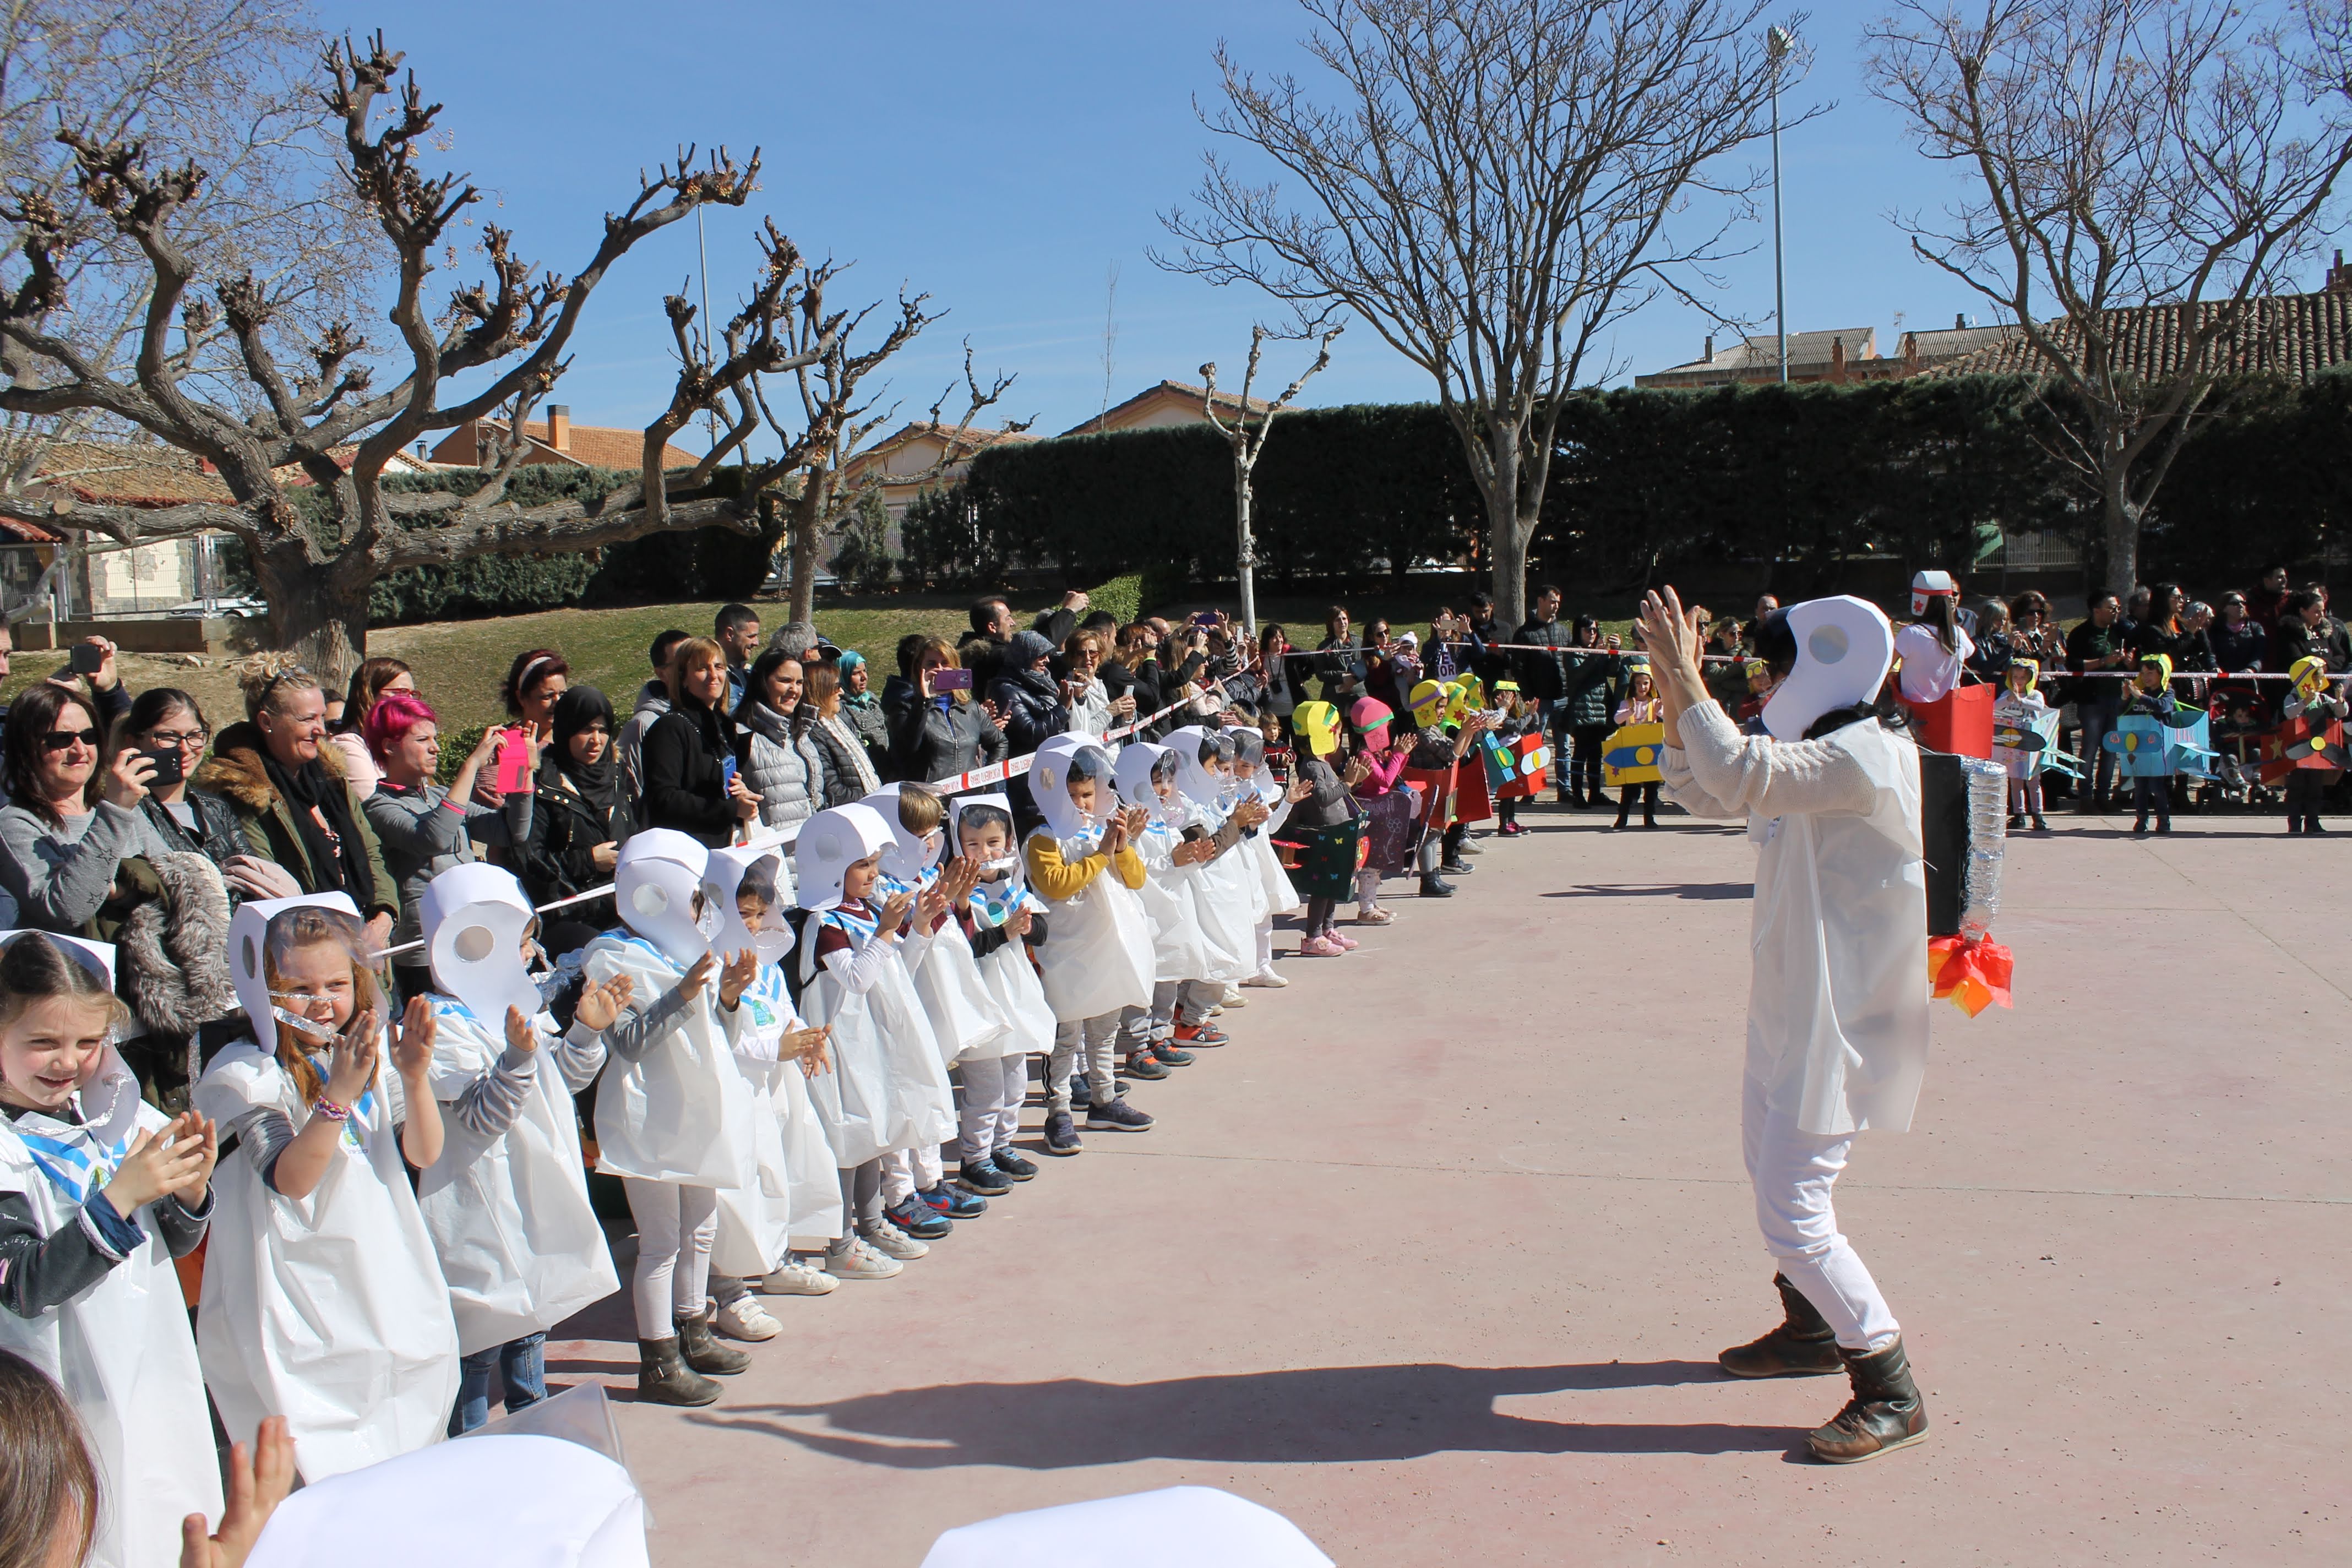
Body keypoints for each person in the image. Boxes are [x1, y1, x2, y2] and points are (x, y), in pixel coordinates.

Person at [1643, 585, 1932, 1466]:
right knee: (1770, 1175)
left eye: (1774, 672)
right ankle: (1811, 1330)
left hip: (1842, 1019)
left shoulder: (1865, 757)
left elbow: (1735, 771)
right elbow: (1700, 786)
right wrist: (1674, 685)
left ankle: (1889, 1384)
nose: (1766, 687)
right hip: (1790, 1008)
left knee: (1794, 1210)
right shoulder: (1814, 752)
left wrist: (1688, 676)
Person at [194, 896, 459, 1481]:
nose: (322, 1002)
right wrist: (337, 1093)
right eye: (298, 988)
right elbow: (291, 1179)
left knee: (405, 1441)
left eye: (336, 984)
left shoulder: (369, 1052)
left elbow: (423, 1152)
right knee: (322, 1452)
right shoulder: (245, 1072)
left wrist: (414, 1077)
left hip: (384, 1273)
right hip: (298, 1291)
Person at [0, 933, 223, 1567]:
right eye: (43, 1041)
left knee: (165, 1523)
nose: (67, 1061)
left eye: (88, 1042)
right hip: (64, 1398)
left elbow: (161, 1249)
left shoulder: (114, 1118)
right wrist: (121, 1196)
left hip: (151, 1375)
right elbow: (24, 1286)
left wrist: (188, 1194)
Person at [410, 865, 621, 1434]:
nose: (531, 954)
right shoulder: (437, 1023)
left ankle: (534, 1429)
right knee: (482, 1335)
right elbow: (481, 1117)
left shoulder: (516, 1006)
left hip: (531, 1190)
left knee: (531, 1321)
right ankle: (473, 1446)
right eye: (522, 942)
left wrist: (585, 1033)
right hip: (478, 1200)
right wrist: (517, 1058)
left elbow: (558, 1083)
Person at [580, 832, 760, 1406]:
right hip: (649, 1114)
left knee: (700, 1228)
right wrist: (683, 993)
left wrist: (728, 997)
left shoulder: (687, 946)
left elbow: (719, 1034)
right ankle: (657, 1360)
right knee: (660, 1242)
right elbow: (629, 1043)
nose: (701, 907)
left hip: (700, 1106)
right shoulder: (611, 955)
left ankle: (693, 1330)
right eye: (694, 895)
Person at [788, 805, 955, 1273]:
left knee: (874, 1135)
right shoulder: (826, 924)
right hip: (840, 1048)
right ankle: (840, 1244)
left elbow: (900, 968)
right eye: (862, 865)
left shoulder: (868, 911)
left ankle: (872, 1223)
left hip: (874, 1043)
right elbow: (857, 979)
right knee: (848, 1137)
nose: (873, 873)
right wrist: (885, 932)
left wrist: (919, 926)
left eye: (874, 863)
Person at [702, 847, 842, 1332]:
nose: (755, 925)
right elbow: (718, 1033)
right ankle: (729, 1292)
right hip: (733, 1091)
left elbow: (782, 1010)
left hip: (773, 1087)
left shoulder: (766, 960)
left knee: (775, 1175)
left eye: (762, 914)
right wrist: (774, 1049)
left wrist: (805, 1038)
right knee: (734, 1190)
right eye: (745, 914)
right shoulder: (707, 965)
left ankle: (776, 1261)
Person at [193, 661, 401, 950]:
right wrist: (338, 941)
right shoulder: (245, 795)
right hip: (303, 954)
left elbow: (370, 851)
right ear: (267, 722)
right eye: (307, 719)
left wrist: (385, 914)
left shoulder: (333, 779)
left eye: (322, 717)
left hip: (368, 944)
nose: (321, 730)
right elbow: (269, 886)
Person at [358, 692, 535, 1001]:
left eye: (435, 738)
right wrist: (472, 765)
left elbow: (510, 832)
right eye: (422, 740)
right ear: (389, 746)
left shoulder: (442, 794)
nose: (436, 748)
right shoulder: (378, 806)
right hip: (426, 952)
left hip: (476, 935)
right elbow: (433, 839)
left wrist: (520, 768)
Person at [1025, 737, 1155, 1154]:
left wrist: (1123, 847)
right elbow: (1057, 885)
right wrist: (1101, 855)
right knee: (1066, 1037)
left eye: (1087, 794)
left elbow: (1135, 879)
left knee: (1104, 1031)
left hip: (1108, 947)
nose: (1081, 804)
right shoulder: (1043, 839)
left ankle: (1104, 1100)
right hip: (1067, 951)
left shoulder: (1101, 829)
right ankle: (1059, 1113)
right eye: (1072, 796)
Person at [0, 680, 177, 934]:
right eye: (61, 739)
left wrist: (120, 891)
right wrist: (115, 812)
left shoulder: (123, 809)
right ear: (26, 748)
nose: (80, 750)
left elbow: (175, 882)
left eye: (89, 736)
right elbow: (69, 910)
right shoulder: (14, 824)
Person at [948, 797, 1052, 1194]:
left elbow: (1042, 933)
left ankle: (1001, 1146)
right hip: (979, 1000)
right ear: (957, 844)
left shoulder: (1012, 883)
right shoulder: (957, 894)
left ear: (1008, 842)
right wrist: (1005, 932)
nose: (985, 853)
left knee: (1015, 1081)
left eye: (993, 842)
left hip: (1015, 997)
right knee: (986, 1088)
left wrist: (1027, 928)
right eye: (972, 844)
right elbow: (965, 947)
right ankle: (974, 1159)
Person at [516, 685, 635, 951]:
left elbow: (638, 830)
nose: (596, 740)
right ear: (566, 729)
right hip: (570, 916)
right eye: (586, 730)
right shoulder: (543, 784)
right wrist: (588, 861)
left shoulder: (617, 774)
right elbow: (530, 859)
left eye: (603, 730)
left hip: (626, 906)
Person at [640, 636, 761, 848]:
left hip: (725, 846)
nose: (713, 675)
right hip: (688, 853)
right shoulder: (669, 728)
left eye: (719, 667)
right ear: (683, 678)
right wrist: (731, 809)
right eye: (702, 668)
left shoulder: (724, 728)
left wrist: (739, 791)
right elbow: (664, 799)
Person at [886, 635, 1008, 786]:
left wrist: (988, 777)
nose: (940, 669)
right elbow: (907, 749)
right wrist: (924, 701)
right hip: (929, 798)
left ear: (955, 667)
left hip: (969, 796)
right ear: (919, 670)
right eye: (932, 664)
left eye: (945, 663)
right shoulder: (904, 709)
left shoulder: (970, 708)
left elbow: (999, 742)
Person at [732, 650, 826, 840]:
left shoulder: (802, 734)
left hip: (815, 846)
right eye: (785, 681)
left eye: (799, 683)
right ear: (762, 683)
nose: (794, 690)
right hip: (774, 852)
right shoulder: (740, 735)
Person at [2065, 592, 2131, 812]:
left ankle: (2104, 794)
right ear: (2096, 610)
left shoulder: (2120, 631)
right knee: (2090, 747)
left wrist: (2129, 662)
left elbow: (2128, 662)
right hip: (2091, 699)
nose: (2117, 612)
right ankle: (2085, 795)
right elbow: (2073, 665)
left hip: (2116, 697)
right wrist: (2104, 661)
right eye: (2112, 608)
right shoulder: (2081, 634)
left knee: (2111, 748)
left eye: (2118, 608)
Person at [616, 629, 689, 812]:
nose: (691, 668)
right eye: (681, 663)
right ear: (661, 674)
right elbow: (633, 796)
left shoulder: (709, 713)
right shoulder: (642, 726)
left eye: (696, 658)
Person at [324, 657, 414, 801]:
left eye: (412, 694)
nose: (411, 702)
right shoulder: (348, 745)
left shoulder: (402, 744)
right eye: (401, 692)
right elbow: (376, 804)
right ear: (369, 694)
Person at [1511, 585, 1575, 779]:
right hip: (1539, 701)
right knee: (1534, 746)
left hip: (1563, 698)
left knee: (1564, 748)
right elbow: (1518, 668)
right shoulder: (1524, 634)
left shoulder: (1564, 632)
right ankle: (1532, 787)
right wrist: (1529, 696)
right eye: (1553, 601)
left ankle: (1565, 788)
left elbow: (1571, 663)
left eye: (1558, 602)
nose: (1556, 606)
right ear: (1541, 601)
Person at [1560, 616, 1621, 808]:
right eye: (1588, 630)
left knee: (1596, 754)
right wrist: (1596, 654)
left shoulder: (1599, 650)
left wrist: (1615, 652)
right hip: (1582, 710)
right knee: (1580, 753)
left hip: (1601, 707)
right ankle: (1578, 795)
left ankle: (1596, 793)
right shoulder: (1572, 652)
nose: (1592, 634)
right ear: (1578, 631)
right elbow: (1577, 676)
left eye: (1595, 630)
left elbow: (1612, 671)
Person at [2119, 654, 2184, 835]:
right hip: (2138, 748)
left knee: (2157, 787)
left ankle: (2163, 819)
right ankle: (2141, 818)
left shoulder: (2167, 692)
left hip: (2159, 749)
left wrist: (2140, 696)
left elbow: (2163, 707)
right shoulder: (2139, 693)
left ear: (2161, 674)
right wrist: (2126, 697)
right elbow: (2122, 713)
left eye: (2150, 673)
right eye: (2143, 673)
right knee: (2140, 787)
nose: (2146, 677)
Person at [2280, 655, 2343, 835]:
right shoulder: (2293, 696)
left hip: (2318, 751)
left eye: (2322, 677)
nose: (2321, 682)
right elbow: (2289, 713)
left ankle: (2313, 822)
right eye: (2317, 678)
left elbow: (2341, 712)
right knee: (2296, 787)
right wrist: (2305, 702)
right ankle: (2294, 823)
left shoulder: (2322, 698)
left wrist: (2339, 700)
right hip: (2298, 750)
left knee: (2315, 787)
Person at [802, 663, 880, 807]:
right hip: (853, 810)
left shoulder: (840, 723)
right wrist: (872, 799)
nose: (842, 692)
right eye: (836, 687)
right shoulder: (814, 734)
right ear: (820, 691)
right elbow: (834, 791)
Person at [1893, 570, 1974, 703]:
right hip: (1949, 709)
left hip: (1914, 709)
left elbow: (1887, 664)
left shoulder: (1910, 634)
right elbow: (1970, 652)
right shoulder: (1959, 633)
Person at [988, 630, 1071, 756]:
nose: (1047, 660)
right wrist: (1062, 708)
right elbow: (1030, 733)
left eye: (1048, 655)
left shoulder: (1042, 682)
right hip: (1030, 763)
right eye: (1041, 655)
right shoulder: (1005, 691)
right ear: (1026, 656)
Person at [1994, 660, 2053, 832]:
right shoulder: (2007, 694)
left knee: (2034, 782)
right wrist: (2010, 699)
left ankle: (2038, 815)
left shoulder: (2035, 695)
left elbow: (2039, 706)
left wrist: (2020, 700)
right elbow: (1994, 707)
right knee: (2015, 781)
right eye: (2015, 677)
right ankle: (2019, 814)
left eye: (2022, 678)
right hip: (2013, 744)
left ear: (2031, 679)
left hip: (2031, 744)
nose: (2018, 681)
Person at [1611, 663, 1663, 830]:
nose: (1642, 687)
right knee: (1629, 788)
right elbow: (1617, 720)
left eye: (1646, 683)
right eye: (1639, 683)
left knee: (1651, 788)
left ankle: (1649, 819)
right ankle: (1622, 818)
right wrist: (1630, 712)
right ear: (1633, 685)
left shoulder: (1655, 703)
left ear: (1651, 684)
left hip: (1651, 751)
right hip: (1631, 751)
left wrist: (1659, 711)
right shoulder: (1627, 703)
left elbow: (1668, 718)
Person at [834, 650, 891, 781]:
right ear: (843, 676)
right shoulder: (841, 709)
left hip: (893, 769)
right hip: (873, 774)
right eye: (856, 673)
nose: (864, 677)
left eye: (864, 671)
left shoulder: (871, 699)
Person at [715, 603, 762, 711]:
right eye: (751, 636)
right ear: (730, 634)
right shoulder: (712, 678)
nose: (756, 643)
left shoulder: (751, 673)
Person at [2209, 591, 2267, 671]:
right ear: (2224, 608)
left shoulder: (2255, 628)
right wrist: (2214, 666)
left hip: (2249, 676)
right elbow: (2210, 653)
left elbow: (2259, 654)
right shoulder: (2215, 629)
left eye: (2243, 603)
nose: (2241, 606)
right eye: (2235, 603)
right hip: (2222, 676)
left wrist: (2252, 669)